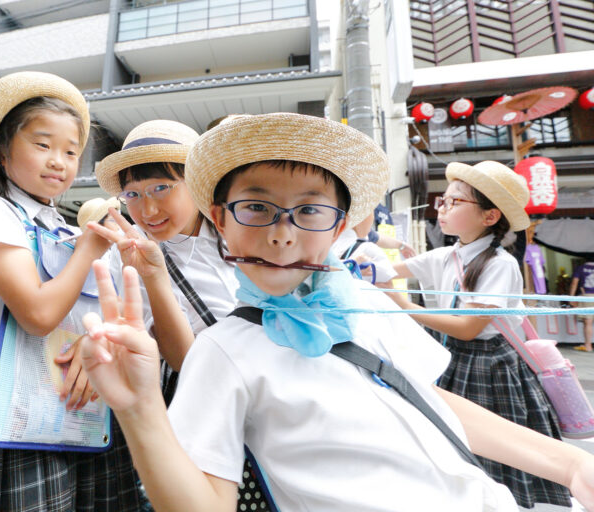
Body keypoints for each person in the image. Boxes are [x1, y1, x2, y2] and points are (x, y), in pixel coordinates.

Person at [78, 114, 594, 511]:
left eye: (309, 210)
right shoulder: (223, 350)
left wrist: (571, 464)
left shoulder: (365, 302)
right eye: (256, 208)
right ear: (222, 220)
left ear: (339, 223)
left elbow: (427, 400)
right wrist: (140, 408)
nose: (282, 232)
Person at [0, 71, 143, 512]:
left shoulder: (66, 229)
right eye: (42, 145)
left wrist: (96, 343)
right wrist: (91, 247)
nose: (59, 160)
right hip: (20, 405)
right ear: (0, 153)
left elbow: (114, 312)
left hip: (90, 401)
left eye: (71, 151)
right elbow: (36, 314)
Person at [387, 160, 570, 508]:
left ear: (489, 217)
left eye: (456, 202)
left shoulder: (499, 264)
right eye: (444, 200)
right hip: (450, 359)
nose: (443, 208)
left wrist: (403, 305)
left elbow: (469, 329)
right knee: (455, 443)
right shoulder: (445, 254)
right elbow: (383, 271)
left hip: (488, 367)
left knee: (491, 452)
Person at [91, 119, 236, 401]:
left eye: (161, 188)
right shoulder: (128, 255)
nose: (148, 209)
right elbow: (182, 358)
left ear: (197, 182)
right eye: (132, 194)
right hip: (199, 399)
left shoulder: (241, 231)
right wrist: (153, 276)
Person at [570, 259, 594, 352]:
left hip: (587, 295)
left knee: (588, 322)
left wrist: (571, 298)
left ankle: (588, 345)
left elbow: (574, 283)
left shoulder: (581, 268)